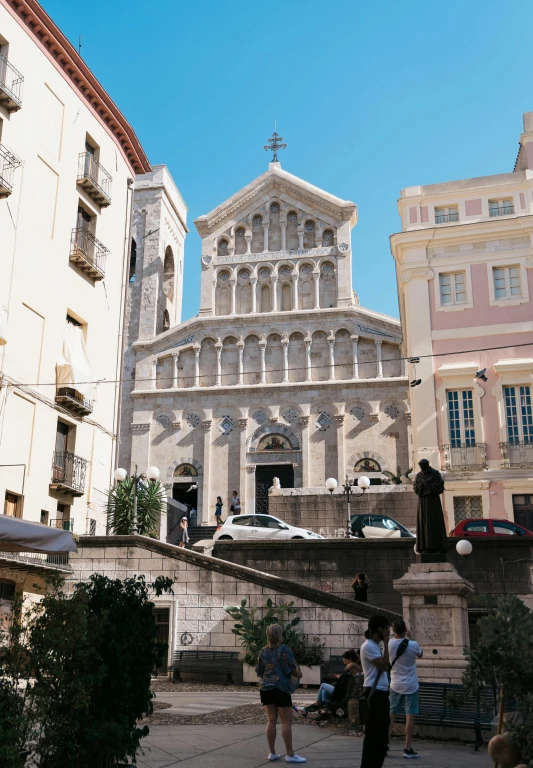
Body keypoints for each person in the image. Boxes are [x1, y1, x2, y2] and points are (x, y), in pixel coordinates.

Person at [256, 624, 306, 763]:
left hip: (266, 688)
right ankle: (290, 754)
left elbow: (259, 671)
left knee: (271, 720)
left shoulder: (263, 651)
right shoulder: (283, 650)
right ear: (279, 634)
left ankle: (272, 752)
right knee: (286, 722)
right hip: (281, 688)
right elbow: (291, 668)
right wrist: (299, 674)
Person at [389, 619, 423, 759]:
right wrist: (410, 637)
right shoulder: (413, 644)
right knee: (410, 717)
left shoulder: (389, 644)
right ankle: (407, 748)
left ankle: (385, 744)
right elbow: (420, 654)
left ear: (393, 631)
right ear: (405, 630)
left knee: (391, 716)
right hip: (411, 685)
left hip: (395, 684)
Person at [360, 614, 391, 768]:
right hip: (374, 694)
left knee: (382, 737)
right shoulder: (368, 646)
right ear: (379, 629)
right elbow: (385, 666)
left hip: (381, 693)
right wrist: (386, 645)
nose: (388, 632)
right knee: (374, 736)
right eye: (386, 629)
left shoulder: (375, 646)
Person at [293, 649, 362, 718]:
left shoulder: (351, 668)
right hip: (344, 692)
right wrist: (341, 677)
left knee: (323, 685)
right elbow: (348, 680)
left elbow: (348, 680)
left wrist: (343, 676)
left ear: (350, 659)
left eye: (345, 660)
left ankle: (315, 706)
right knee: (324, 691)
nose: (344, 662)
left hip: (341, 693)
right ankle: (325, 711)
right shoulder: (353, 668)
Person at [413, 459, 447, 555]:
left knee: (435, 522)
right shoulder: (419, 476)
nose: (423, 468)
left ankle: (437, 547)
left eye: (424, 466)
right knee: (423, 523)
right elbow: (416, 488)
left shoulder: (435, 474)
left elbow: (440, 486)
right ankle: (424, 547)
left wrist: (426, 484)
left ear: (427, 465)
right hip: (423, 504)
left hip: (434, 503)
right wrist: (425, 483)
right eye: (421, 466)